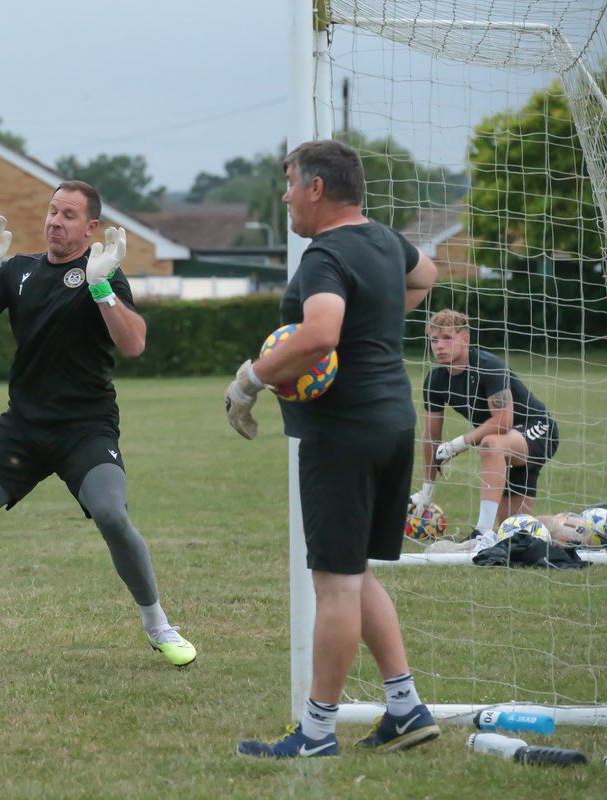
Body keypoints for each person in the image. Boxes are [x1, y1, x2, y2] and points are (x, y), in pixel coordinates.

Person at [0, 181, 197, 675]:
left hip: (85, 428)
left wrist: (101, 285)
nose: (54, 222)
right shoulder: (19, 270)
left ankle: (158, 626)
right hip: (23, 427)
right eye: (51, 211)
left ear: (91, 228)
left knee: (111, 514)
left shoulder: (103, 273)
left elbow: (134, 345)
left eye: (67, 215)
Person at [224, 140, 440, 758]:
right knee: (354, 573)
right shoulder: (383, 241)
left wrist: (251, 381)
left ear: (317, 188)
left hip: (343, 434)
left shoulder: (325, 254)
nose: (286, 195)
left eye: (289, 182)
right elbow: (425, 275)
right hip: (392, 422)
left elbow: (319, 335)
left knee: (335, 585)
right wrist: (377, 320)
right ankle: (405, 709)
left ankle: (317, 732)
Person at [409, 309, 558, 548]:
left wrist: (459, 443)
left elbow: (503, 420)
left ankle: (481, 533)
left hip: (538, 429)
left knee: (490, 444)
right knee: (514, 531)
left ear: (465, 339)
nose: (439, 346)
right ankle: (573, 525)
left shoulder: (489, 366)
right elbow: (431, 436)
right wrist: (428, 486)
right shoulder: (435, 380)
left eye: (447, 338)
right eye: (434, 340)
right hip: (505, 445)